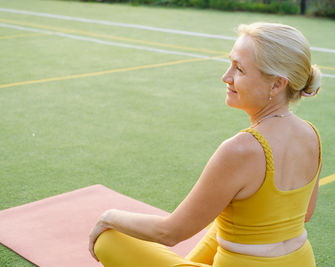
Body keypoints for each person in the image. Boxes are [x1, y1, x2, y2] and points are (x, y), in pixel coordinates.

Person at [89, 22, 322, 267]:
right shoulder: (311, 134)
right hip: (301, 261)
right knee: (226, 217)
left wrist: (108, 217)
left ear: (277, 84)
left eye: (239, 69)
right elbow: (305, 213)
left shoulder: (242, 149)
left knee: (108, 240)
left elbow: (169, 233)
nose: (226, 77)